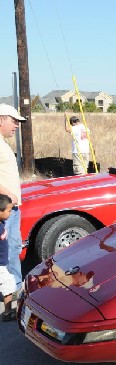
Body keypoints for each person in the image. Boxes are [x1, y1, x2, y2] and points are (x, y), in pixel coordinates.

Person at [0, 103, 26, 301]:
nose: (16, 125)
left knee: (14, 247)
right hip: (5, 208)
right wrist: (8, 194)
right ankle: (10, 290)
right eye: (14, 120)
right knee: (7, 250)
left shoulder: (3, 142)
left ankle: (14, 285)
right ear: (1, 119)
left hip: (12, 208)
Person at [0, 194, 16, 321]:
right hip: (0, 264)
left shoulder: (2, 221)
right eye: (9, 211)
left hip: (2, 262)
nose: (10, 214)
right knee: (8, 285)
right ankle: (7, 312)